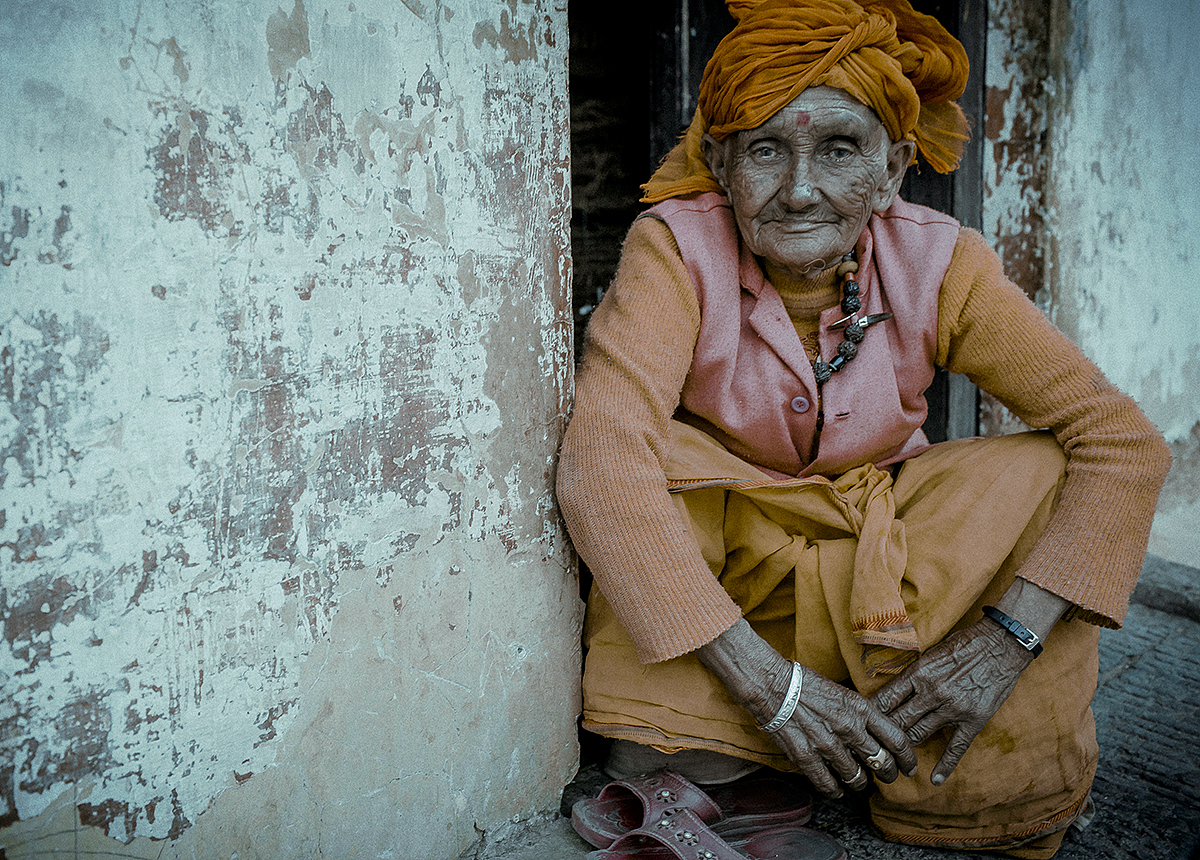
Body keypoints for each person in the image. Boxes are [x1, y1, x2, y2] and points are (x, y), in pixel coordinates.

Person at [556, 0, 1172, 857]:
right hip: (733, 603)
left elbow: (1124, 443)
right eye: (766, 150)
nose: (800, 189)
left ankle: (834, 739)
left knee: (1048, 471)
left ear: (893, 171)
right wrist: (772, 686)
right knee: (656, 463)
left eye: (839, 149)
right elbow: (601, 468)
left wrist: (1004, 642)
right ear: (722, 164)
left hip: (882, 594)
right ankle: (763, 737)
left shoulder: (941, 260)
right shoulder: (676, 250)